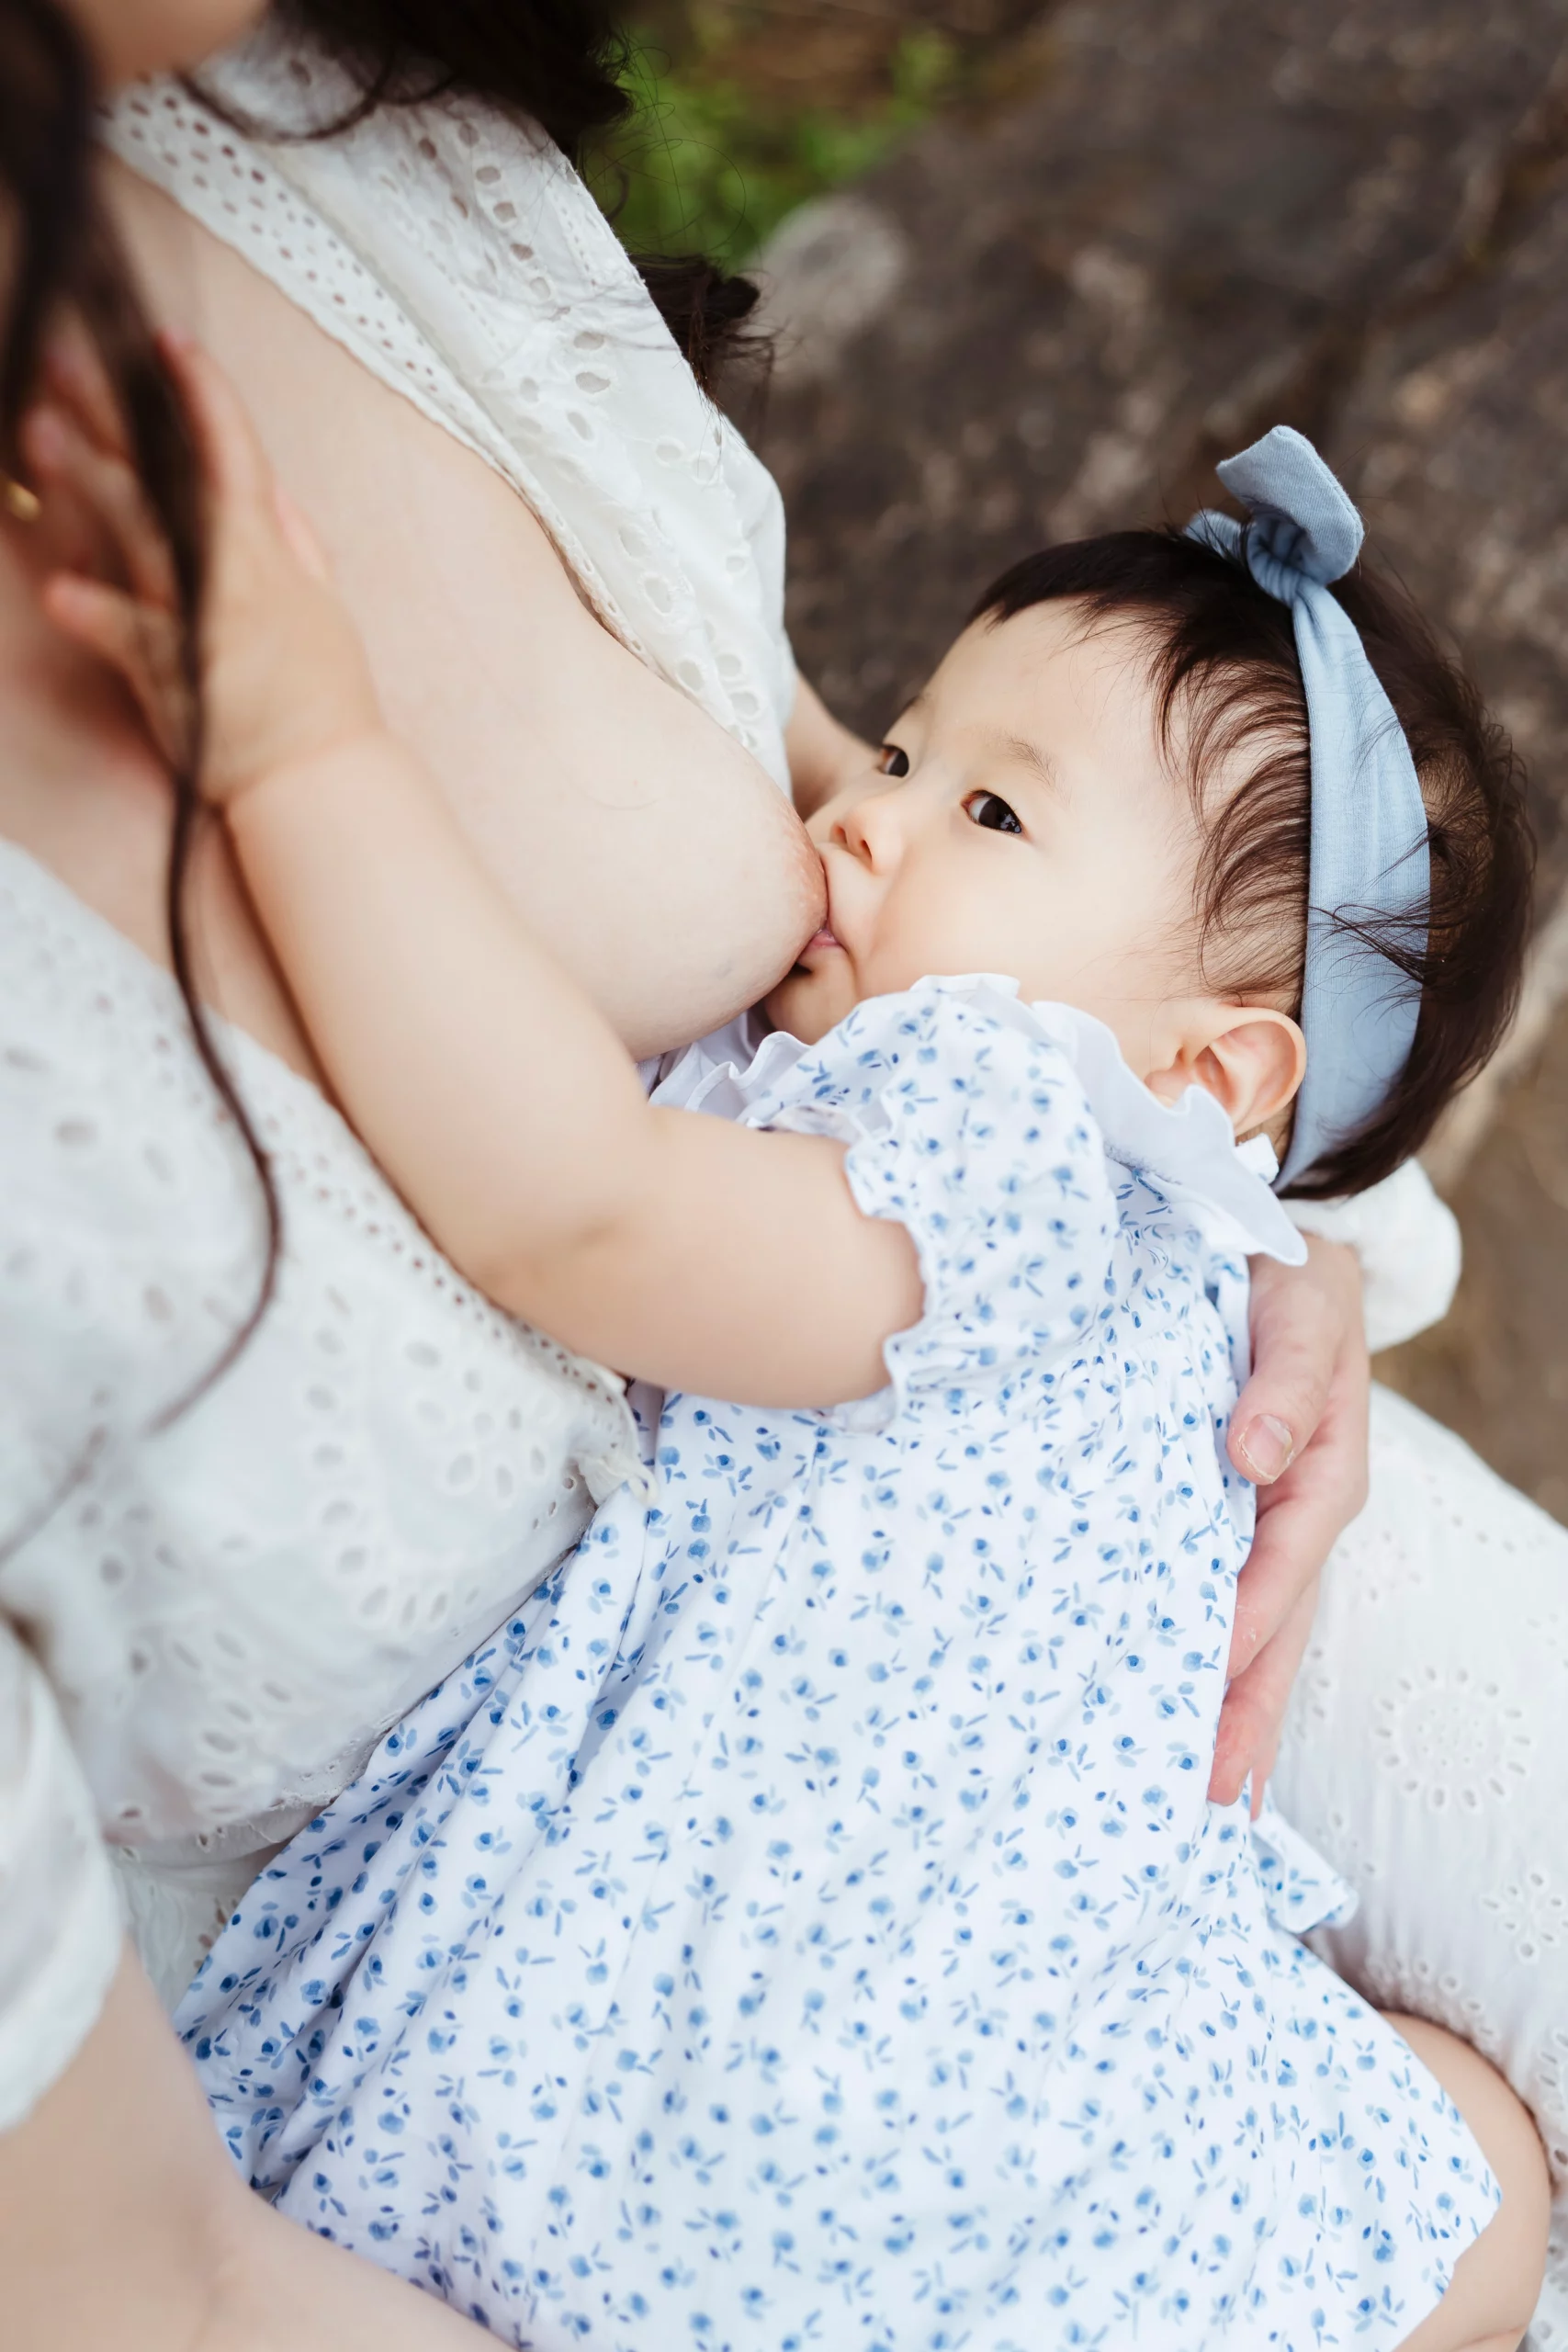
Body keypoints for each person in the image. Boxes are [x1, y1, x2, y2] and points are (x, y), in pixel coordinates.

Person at [0, 0, 1561, 2343]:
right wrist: (291, 740)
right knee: (1464, 2186)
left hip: (817, 1974)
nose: (857, 813)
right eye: (913, 747)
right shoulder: (1000, 1110)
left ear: (1207, 1076)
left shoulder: (1006, 1143)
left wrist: (307, 738)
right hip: (754, 2053)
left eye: (978, 804)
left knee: (1471, 2167)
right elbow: (585, 1202)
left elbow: (595, 1192)